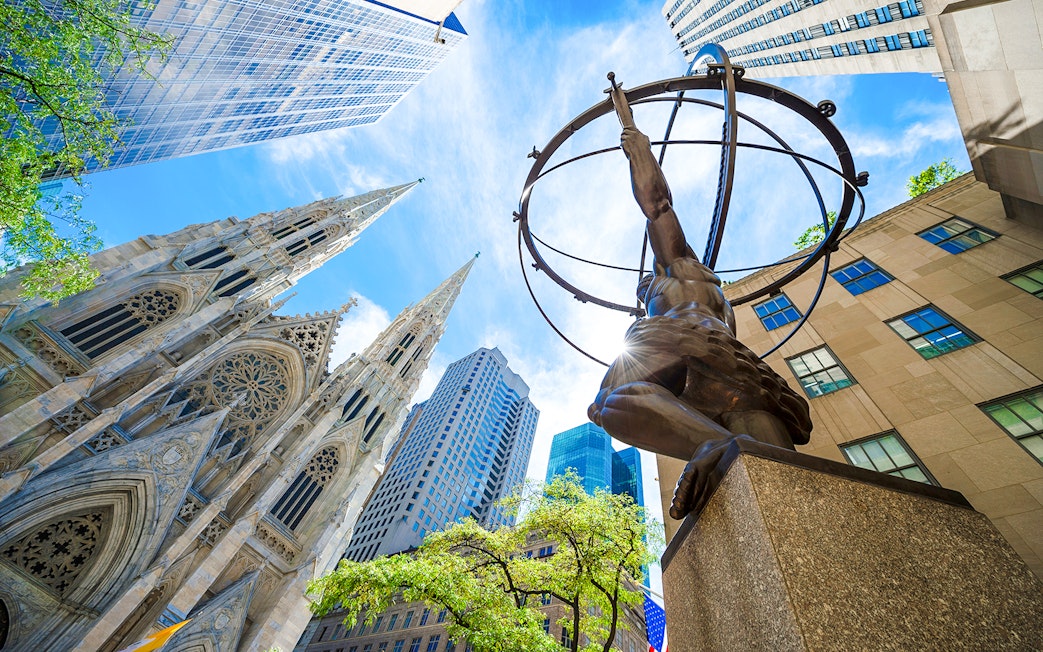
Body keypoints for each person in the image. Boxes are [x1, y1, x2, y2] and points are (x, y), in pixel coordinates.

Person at [588, 75, 812, 519]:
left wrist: (636, 141)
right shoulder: (710, 294)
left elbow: (658, 206)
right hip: (730, 366)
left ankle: (711, 443)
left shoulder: (678, 270)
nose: (643, 287)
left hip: (686, 343)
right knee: (776, 474)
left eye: (643, 285)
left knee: (608, 403)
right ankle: (719, 443)